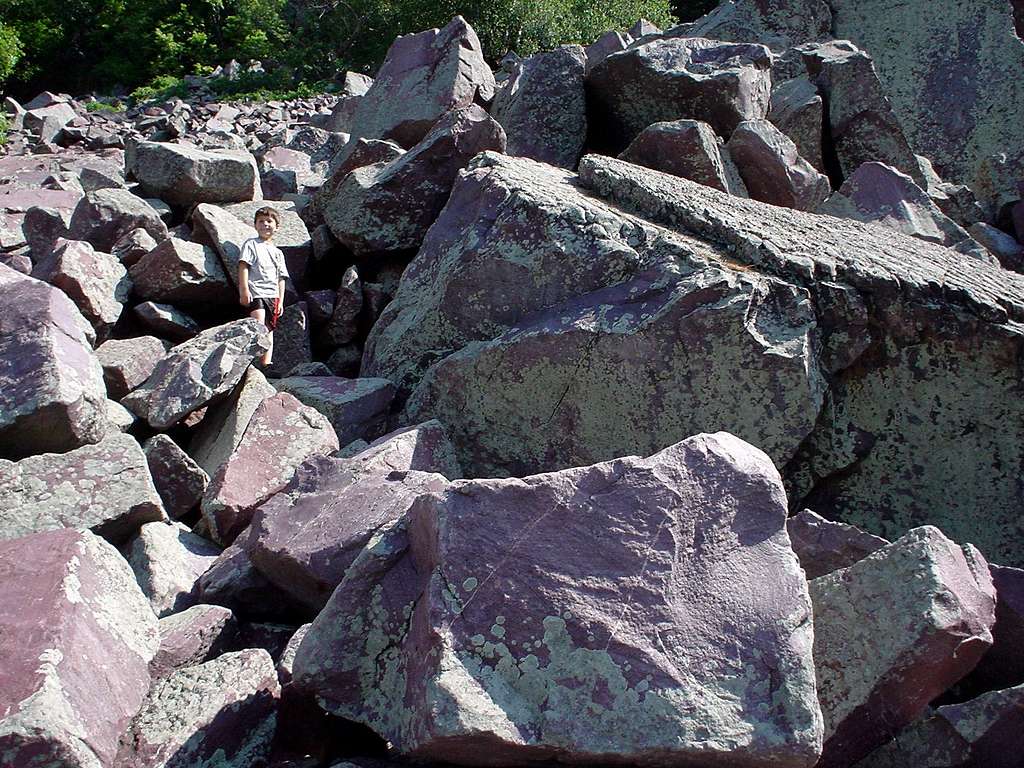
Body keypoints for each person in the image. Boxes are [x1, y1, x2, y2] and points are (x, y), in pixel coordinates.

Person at [238, 206, 288, 366]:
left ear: (277, 227)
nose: (265, 224)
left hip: (272, 295)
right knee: (258, 325)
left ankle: (266, 363)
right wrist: (244, 290)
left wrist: (280, 301)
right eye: (260, 221)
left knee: (270, 329)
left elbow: (281, 278)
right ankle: (249, 362)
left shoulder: (278, 252)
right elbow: (243, 266)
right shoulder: (251, 244)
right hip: (256, 292)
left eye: (269, 221)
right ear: (255, 225)